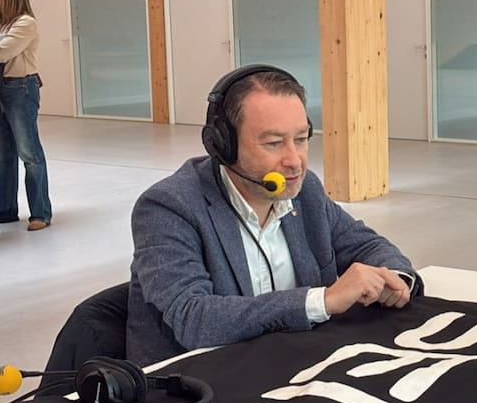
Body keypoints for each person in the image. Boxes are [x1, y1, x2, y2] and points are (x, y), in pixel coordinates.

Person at [127, 65, 422, 366]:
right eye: (273, 143)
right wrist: (322, 300)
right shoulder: (168, 207)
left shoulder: (303, 191)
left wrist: (392, 279)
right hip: (199, 385)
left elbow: (365, 245)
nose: (294, 161)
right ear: (223, 144)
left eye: (301, 139)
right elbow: (196, 319)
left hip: (291, 367)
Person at [0, 0, 51, 232]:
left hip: (21, 88)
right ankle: (4, 209)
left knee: (29, 153)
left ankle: (40, 212)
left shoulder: (26, 23)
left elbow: (0, 53)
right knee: (2, 155)